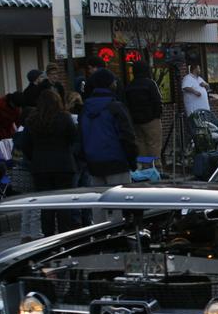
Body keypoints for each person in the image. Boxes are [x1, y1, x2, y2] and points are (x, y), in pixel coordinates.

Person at [18, 89, 79, 236]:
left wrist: (34, 157)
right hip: (63, 165)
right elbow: (74, 138)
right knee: (64, 205)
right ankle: (65, 236)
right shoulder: (64, 118)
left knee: (46, 205)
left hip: (41, 167)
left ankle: (49, 236)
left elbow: (24, 144)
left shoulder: (33, 120)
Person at [80, 68, 137, 214]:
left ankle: (98, 233)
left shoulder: (85, 108)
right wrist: (132, 159)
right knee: (120, 205)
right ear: (110, 84)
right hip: (116, 160)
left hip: (93, 162)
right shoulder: (115, 106)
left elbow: (80, 136)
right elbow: (127, 135)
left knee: (98, 204)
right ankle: (120, 233)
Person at [124, 61, 164, 163]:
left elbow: (126, 103)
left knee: (140, 144)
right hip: (151, 120)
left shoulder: (130, 86)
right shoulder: (150, 84)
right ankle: (155, 168)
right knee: (154, 143)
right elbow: (158, 100)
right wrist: (157, 115)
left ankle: (145, 167)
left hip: (136, 121)